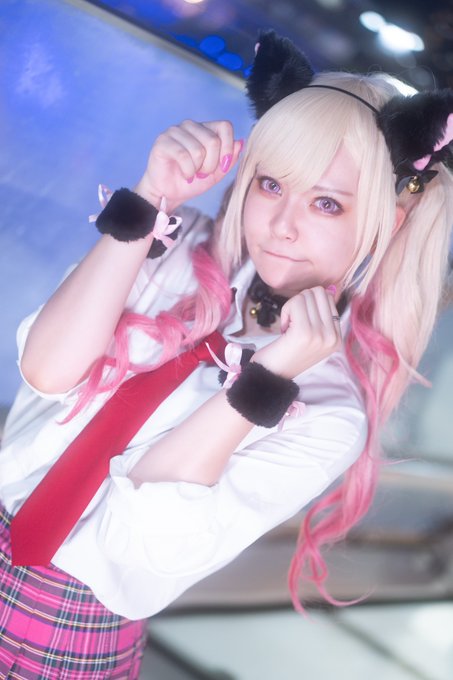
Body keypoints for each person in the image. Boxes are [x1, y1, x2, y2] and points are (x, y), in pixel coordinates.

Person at [1, 29, 453, 678]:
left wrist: (266, 380)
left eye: (327, 203)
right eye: (271, 185)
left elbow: (148, 532)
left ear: (390, 218)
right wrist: (148, 197)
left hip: (67, 628)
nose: (282, 224)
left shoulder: (331, 411)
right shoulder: (172, 243)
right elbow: (46, 371)